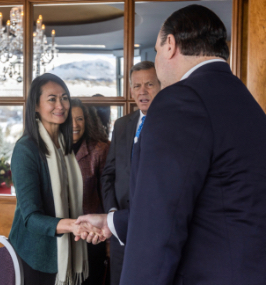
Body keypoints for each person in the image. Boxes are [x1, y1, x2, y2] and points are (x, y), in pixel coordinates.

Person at [75, 4, 266, 285]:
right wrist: (111, 222)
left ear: (170, 45)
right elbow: (213, 205)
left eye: (155, 49)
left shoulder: (181, 99)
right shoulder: (246, 102)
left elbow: (159, 225)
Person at [9, 73, 100, 285]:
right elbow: (31, 217)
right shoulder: (26, 149)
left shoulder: (64, 147)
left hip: (68, 251)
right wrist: (73, 226)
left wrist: (82, 226)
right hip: (35, 257)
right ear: (36, 106)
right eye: (52, 99)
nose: (61, 105)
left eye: (65, 97)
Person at [100, 61, 160, 285]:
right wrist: (113, 212)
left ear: (161, 85)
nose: (142, 91)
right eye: (136, 86)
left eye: (149, 84)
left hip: (155, 233)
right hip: (120, 235)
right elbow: (109, 174)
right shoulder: (123, 125)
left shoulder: (172, 124)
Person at [71, 98, 110, 285]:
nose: (75, 125)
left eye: (80, 119)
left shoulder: (100, 150)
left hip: (92, 238)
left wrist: (110, 241)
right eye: (70, 119)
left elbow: (108, 198)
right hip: (63, 236)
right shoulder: (53, 151)